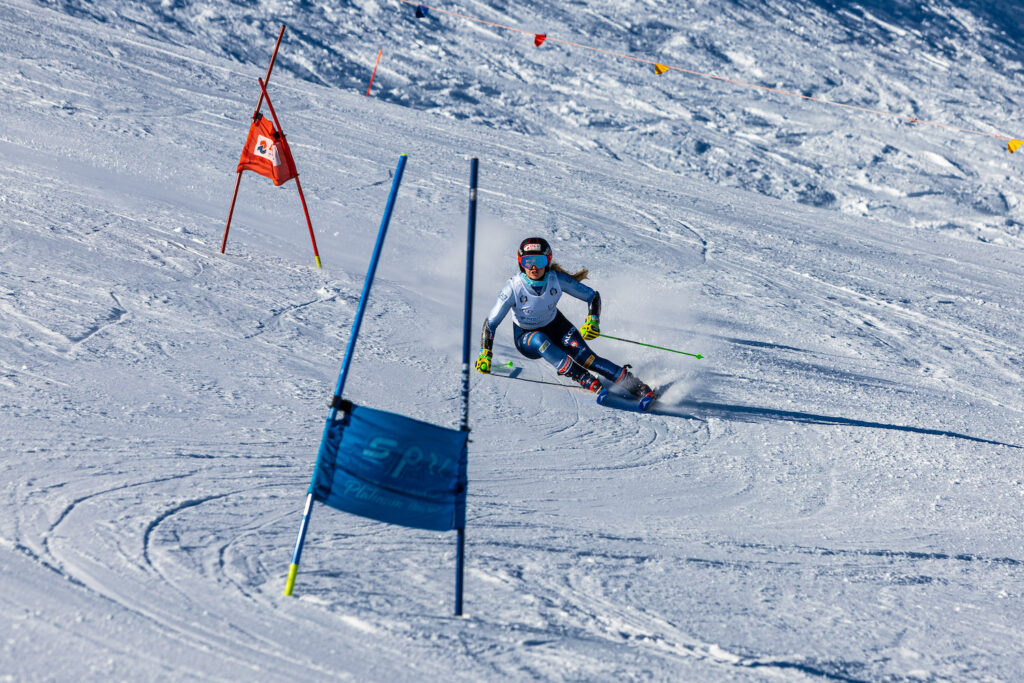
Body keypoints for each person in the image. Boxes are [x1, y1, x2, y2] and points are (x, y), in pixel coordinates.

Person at [475, 237, 654, 401]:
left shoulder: (556, 280)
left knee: (587, 357)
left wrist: (593, 320)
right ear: (521, 263)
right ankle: (583, 377)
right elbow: (491, 323)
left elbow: (592, 296)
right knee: (540, 340)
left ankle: (638, 387)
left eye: (539, 261)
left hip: (556, 326)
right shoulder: (513, 288)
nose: (534, 267)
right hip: (526, 337)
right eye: (528, 262)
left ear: (548, 260)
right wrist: (485, 354)